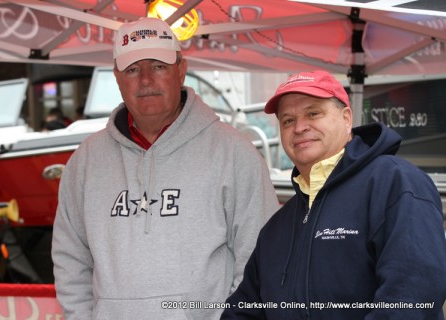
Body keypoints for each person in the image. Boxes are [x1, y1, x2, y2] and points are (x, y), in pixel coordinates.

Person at [51, 17, 279, 319]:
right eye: (132, 69)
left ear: (181, 70)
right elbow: (70, 260)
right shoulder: (86, 161)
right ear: (117, 78)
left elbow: (260, 259)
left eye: (159, 66)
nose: (145, 80)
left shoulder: (234, 153)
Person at [221, 70, 446, 319]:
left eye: (313, 113)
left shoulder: (394, 183)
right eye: (287, 120)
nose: (299, 127)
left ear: (346, 118)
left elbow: (411, 297)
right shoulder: (277, 226)